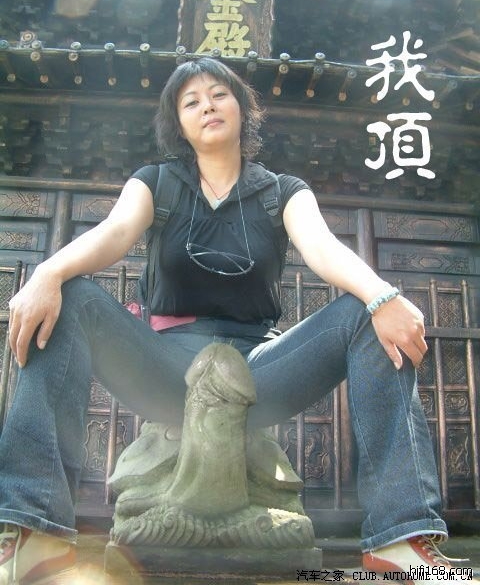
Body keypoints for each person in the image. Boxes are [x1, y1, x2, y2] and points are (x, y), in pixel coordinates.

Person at [0, 57, 475, 585]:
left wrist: (383, 295)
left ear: (243, 109)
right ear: (178, 124)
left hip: (256, 370)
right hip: (164, 368)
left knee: (368, 314)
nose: (207, 106)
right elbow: (113, 233)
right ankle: (35, 530)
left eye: (219, 94)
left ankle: (400, 540)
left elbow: (321, 248)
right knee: (68, 295)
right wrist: (47, 272)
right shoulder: (156, 182)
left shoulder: (283, 191)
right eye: (191, 101)